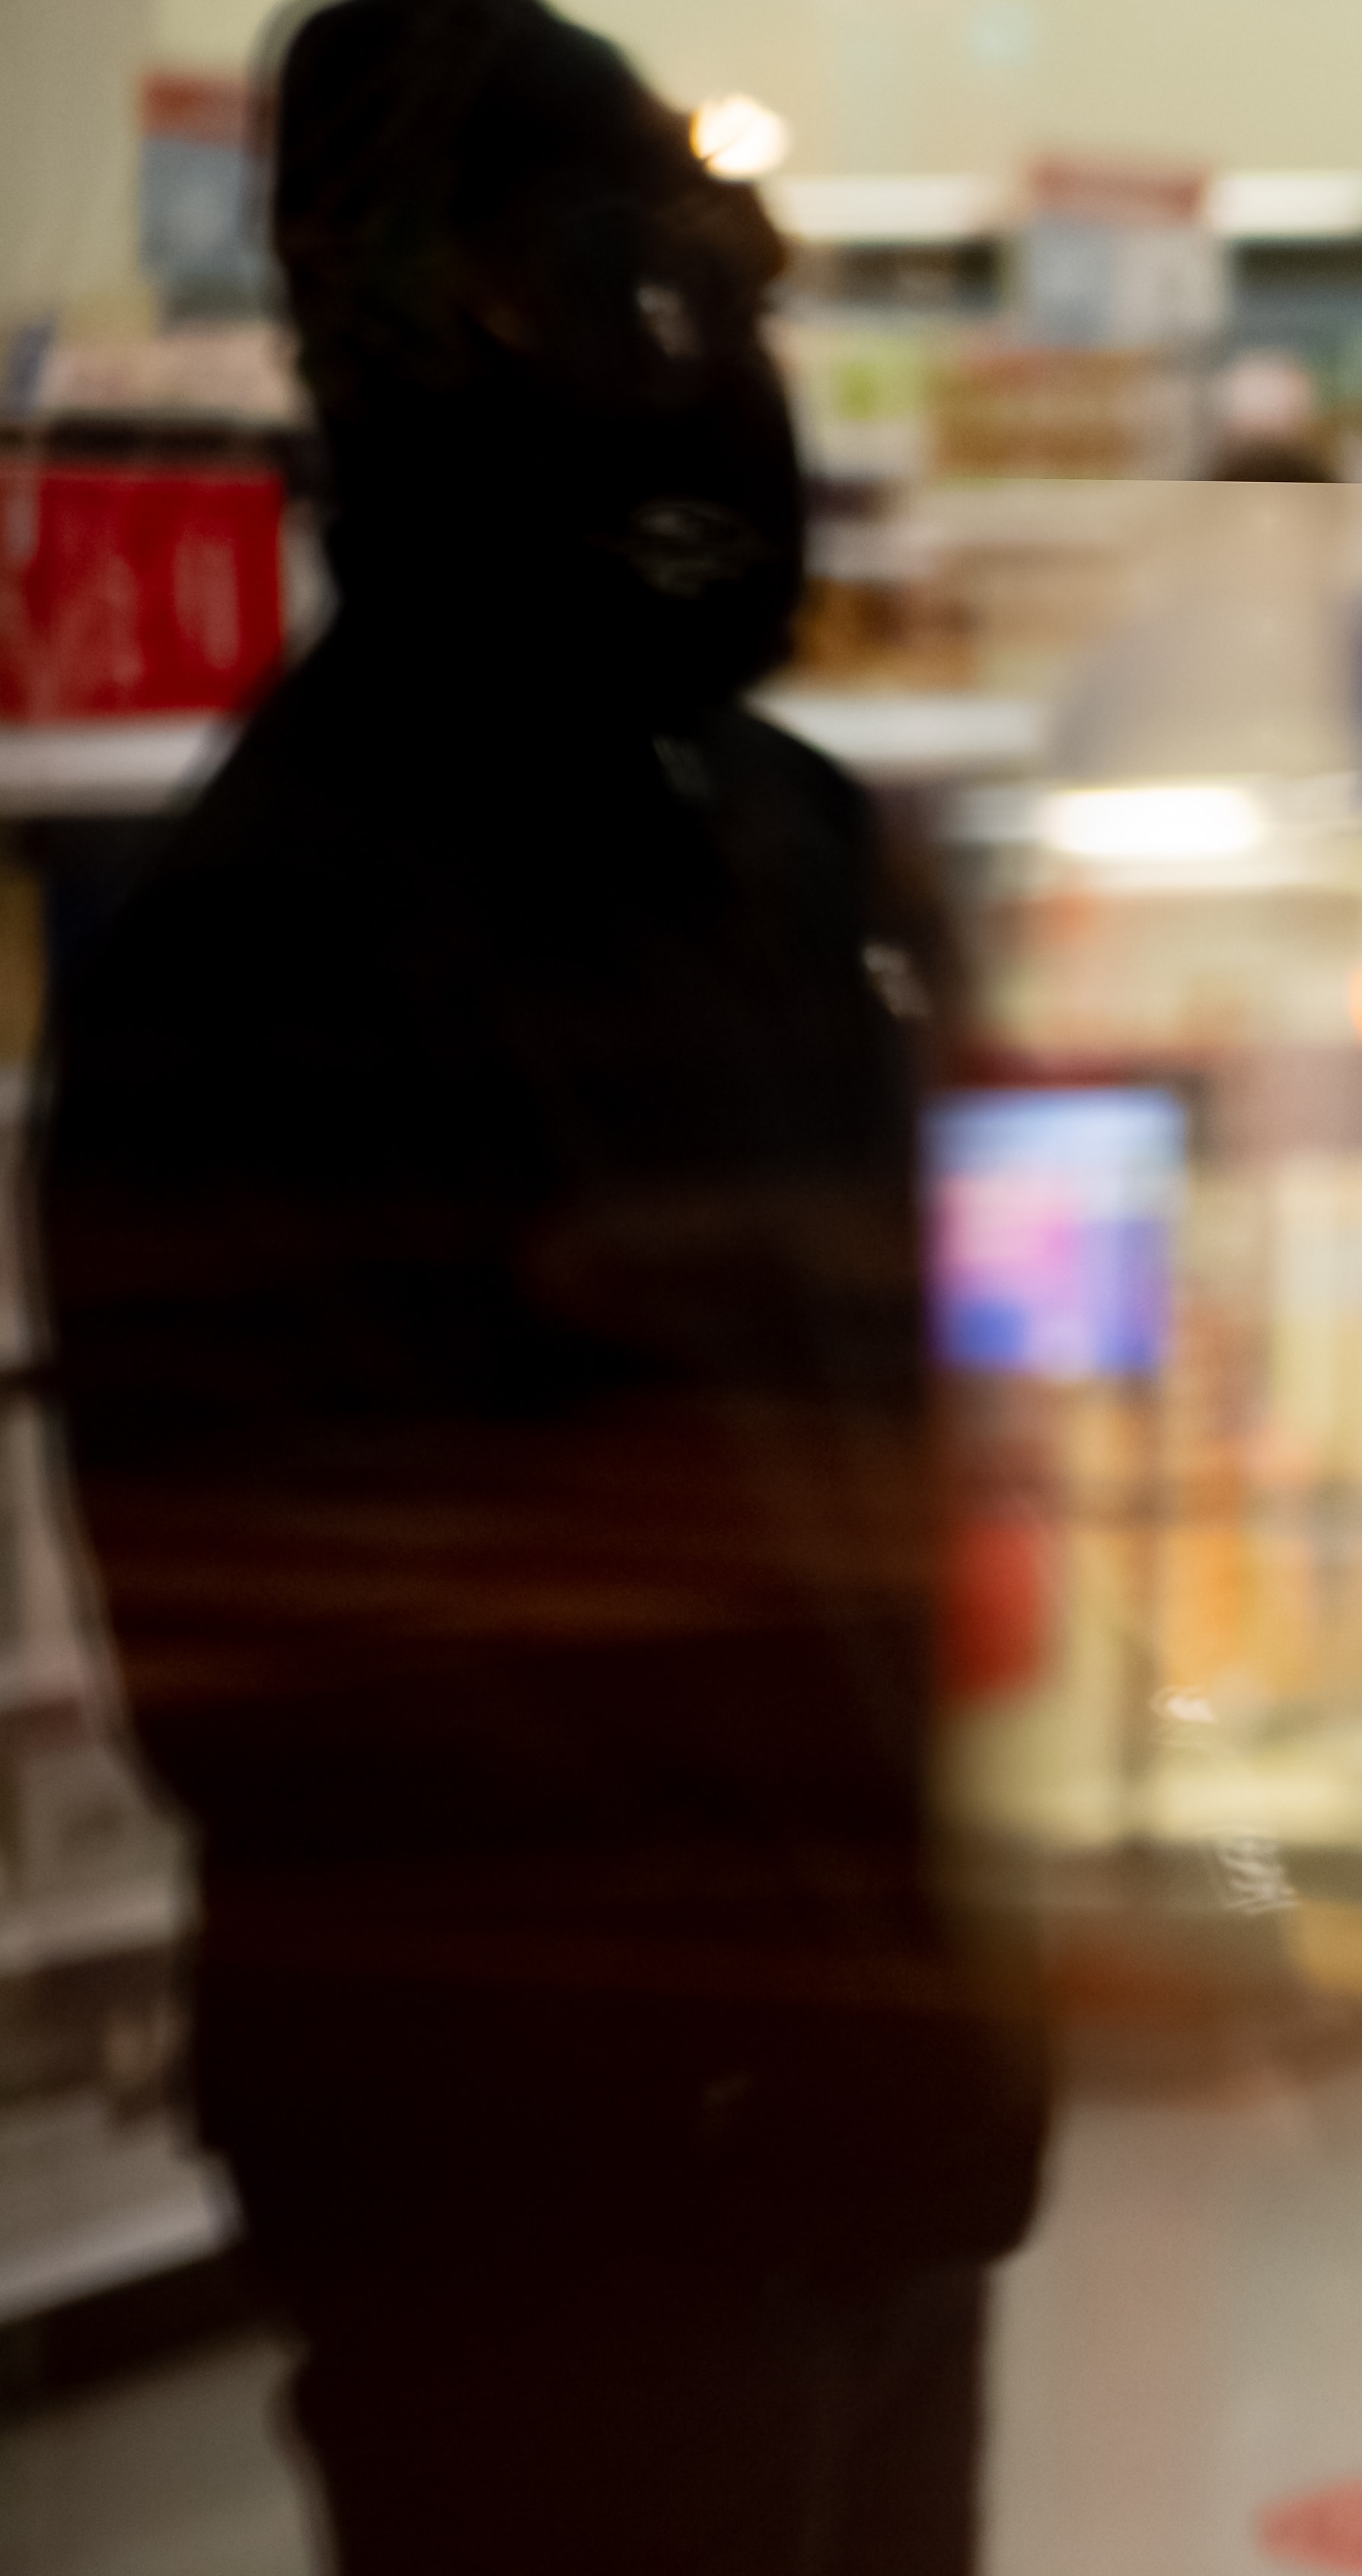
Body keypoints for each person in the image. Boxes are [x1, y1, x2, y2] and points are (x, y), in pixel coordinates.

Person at [35, 4, 1048, 2569]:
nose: (695, 365)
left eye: (724, 285)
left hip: (883, 2119)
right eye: (609, 287)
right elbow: (297, 1677)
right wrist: (749, 2037)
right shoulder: (273, 937)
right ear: (396, 334)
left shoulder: (794, 845)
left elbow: (937, 1438)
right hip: (549, 2202)